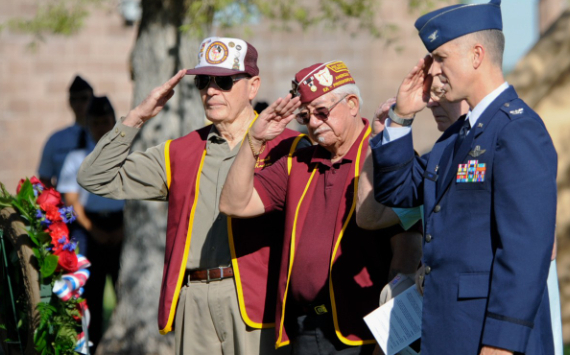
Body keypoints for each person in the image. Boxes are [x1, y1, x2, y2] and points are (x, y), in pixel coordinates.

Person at [77, 37, 309, 355]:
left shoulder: (289, 148)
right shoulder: (180, 151)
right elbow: (94, 177)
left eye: (224, 81)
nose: (210, 90)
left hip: (258, 301)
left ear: (253, 86)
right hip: (192, 301)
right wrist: (137, 117)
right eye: (203, 81)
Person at [369, 1, 557, 354]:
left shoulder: (517, 130)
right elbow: (396, 190)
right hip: (450, 330)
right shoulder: (455, 139)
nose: (431, 71)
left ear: (476, 55)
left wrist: (501, 345)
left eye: (440, 58)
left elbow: (525, 254)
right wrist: (401, 118)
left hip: (490, 337)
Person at [219, 60, 422, 355]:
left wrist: (388, 336)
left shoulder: (386, 155)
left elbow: (406, 255)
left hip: (364, 331)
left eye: (322, 112)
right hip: (305, 326)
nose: (313, 123)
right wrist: (255, 138)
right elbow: (233, 203)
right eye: (305, 115)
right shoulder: (296, 162)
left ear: (352, 104)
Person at [58, 96, 124, 353]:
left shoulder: (126, 154)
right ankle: (93, 346)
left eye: (105, 121)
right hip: (88, 227)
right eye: (95, 123)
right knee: (91, 296)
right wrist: (93, 229)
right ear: (88, 124)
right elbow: (71, 202)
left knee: (125, 291)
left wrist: (123, 229)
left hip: (122, 223)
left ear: (113, 122)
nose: (100, 128)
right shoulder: (77, 157)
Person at [38, 75, 94, 188]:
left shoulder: (102, 136)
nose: (79, 104)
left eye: (84, 98)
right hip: (66, 203)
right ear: (69, 102)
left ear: (93, 99)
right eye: (74, 99)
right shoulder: (56, 140)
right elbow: (44, 180)